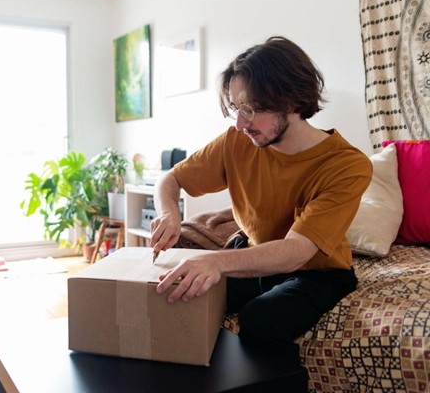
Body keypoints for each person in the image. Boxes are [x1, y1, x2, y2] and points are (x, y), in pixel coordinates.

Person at [150, 36, 372, 359]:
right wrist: (170, 213)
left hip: (316, 273)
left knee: (259, 320)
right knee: (176, 289)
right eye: (237, 109)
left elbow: (297, 252)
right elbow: (170, 179)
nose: (241, 123)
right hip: (255, 258)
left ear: (292, 101)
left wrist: (215, 261)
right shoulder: (235, 143)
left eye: (251, 110)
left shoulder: (347, 165)